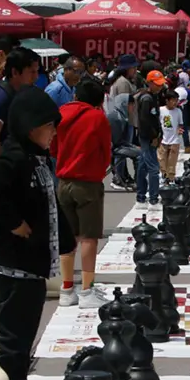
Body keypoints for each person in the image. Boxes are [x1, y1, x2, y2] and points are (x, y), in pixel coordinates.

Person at [0, 87, 75, 380]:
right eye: (50, 126)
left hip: (30, 266)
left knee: (22, 337)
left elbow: (49, 203)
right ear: (31, 125)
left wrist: (65, 240)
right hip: (12, 264)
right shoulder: (15, 156)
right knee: (13, 341)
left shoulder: (36, 159)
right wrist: (13, 221)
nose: (54, 133)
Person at [54, 79, 112, 309]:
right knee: (89, 236)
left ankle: (67, 288)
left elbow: (52, 146)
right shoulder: (96, 117)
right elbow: (106, 149)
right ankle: (87, 289)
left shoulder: (60, 113)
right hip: (87, 182)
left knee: (68, 238)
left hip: (63, 180)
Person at [0, 46, 39, 168]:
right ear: (15, 72)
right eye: (32, 72)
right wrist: (5, 169)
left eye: (37, 71)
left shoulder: (22, 94)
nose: (36, 77)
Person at [136, 70, 165, 207]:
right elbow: (145, 120)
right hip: (147, 137)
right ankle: (153, 198)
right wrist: (154, 136)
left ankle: (141, 196)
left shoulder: (154, 97)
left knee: (142, 166)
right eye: (157, 84)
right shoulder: (147, 99)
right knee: (153, 168)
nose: (159, 87)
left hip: (151, 135)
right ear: (149, 83)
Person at [158, 89, 184, 182]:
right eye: (173, 100)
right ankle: (164, 175)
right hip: (163, 139)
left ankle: (171, 177)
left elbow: (181, 124)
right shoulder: (161, 110)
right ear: (167, 100)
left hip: (174, 140)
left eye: (176, 100)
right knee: (162, 159)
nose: (175, 103)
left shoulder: (178, 111)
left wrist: (180, 129)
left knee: (172, 161)